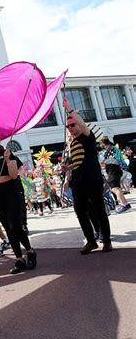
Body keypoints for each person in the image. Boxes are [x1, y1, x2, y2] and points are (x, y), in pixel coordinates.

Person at [61, 99, 113, 254]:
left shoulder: (87, 137)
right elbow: (77, 162)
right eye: (68, 126)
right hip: (78, 181)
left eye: (72, 124)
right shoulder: (71, 143)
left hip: (92, 179)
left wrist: (69, 109)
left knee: (98, 209)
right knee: (80, 211)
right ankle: (91, 240)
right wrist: (67, 169)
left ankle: (107, 241)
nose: (70, 128)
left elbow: (83, 125)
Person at [0, 130, 37, 274]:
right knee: (7, 227)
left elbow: (14, 175)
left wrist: (7, 160)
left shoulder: (8, 153)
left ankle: (30, 251)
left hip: (12, 194)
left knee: (15, 226)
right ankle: (19, 259)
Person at [100, 137, 131, 213]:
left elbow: (104, 162)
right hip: (115, 170)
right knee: (115, 188)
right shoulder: (113, 148)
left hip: (113, 170)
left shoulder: (108, 150)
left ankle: (124, 204)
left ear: (103, 143)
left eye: (100, 143)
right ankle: (124, 203)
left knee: (114, 188)